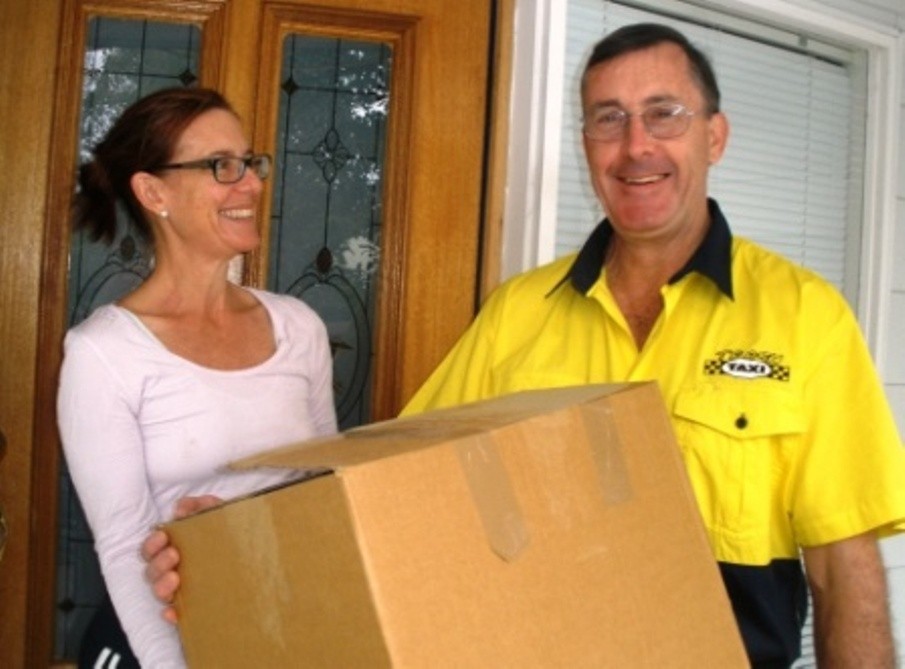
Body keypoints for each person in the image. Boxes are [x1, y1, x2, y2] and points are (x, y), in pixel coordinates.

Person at [143, 24, 905, 668]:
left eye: (662, 113)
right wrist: (236, 544)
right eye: (607, 119)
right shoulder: (517, 314)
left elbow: (845, 571)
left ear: (714, 135)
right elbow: (390, 493)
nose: (635, 145)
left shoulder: (805, 316)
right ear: (585, 144)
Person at [57, 86, 338, 668]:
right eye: (221, 166)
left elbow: (325, 496)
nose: (253, 184)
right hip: (160, 640)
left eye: (250, 162)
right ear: (153, 191)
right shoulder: (103, 353)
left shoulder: (300, 328)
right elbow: (122, 545)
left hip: (278, 629)